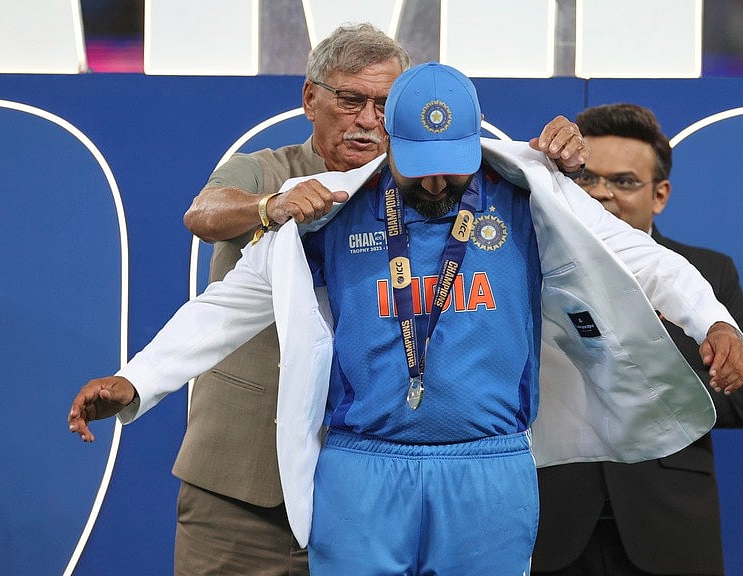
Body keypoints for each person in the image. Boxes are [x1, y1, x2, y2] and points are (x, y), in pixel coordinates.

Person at [69, 63, 743, 575]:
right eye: (416, 167)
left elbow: (643, 258)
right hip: (363, 468)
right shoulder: (328, 210)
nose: (433, 184)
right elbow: (228, 305)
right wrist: (135, 383)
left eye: (449, 169)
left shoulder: (529, 199)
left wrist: (715, 322)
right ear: (386, 141)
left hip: (489, 469)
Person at [108, 23, 584, 576]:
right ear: (310, 98)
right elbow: (204, 214)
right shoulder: (269, 170)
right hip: (245, 475)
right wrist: (273, 207)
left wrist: (566, 167)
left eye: (385, 104)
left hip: (359, 472)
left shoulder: (430, 186)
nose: (367, 119)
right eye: (350, 99)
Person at [531, 103, 743, 576]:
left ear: (659, 195)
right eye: (585, 178)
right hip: (551, 514)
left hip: (669, 523)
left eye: (624, 181)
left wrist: (660, 333)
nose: (601, 194)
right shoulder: (527, 262)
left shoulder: (706, 274)